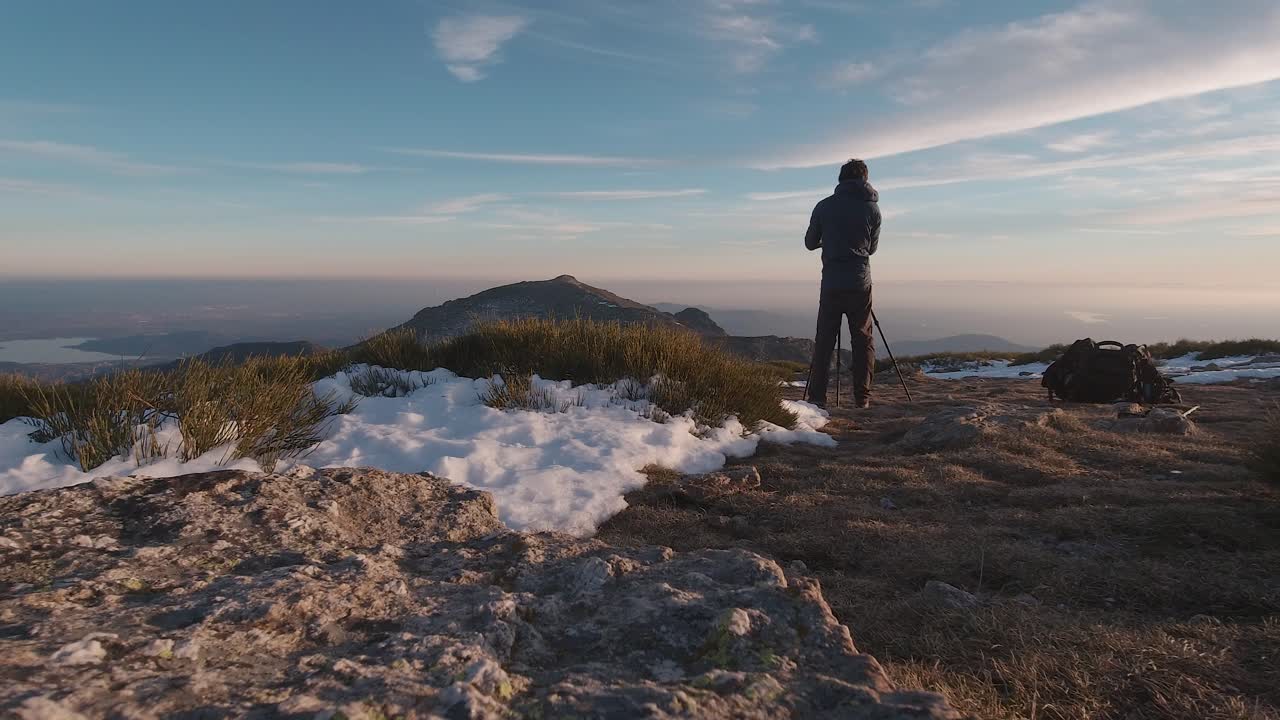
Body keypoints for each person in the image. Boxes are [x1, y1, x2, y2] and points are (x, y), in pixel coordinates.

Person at [804, 158, 881, 409]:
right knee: (862, 338)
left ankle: (817, 398)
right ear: (864, 180)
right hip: (860, 282)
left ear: (840, 179)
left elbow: (809, 242)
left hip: (832, 283)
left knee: (825, 339)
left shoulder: (824, 206)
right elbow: (872, 248)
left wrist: (829, 242)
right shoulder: (872, 209)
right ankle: (862, 398)